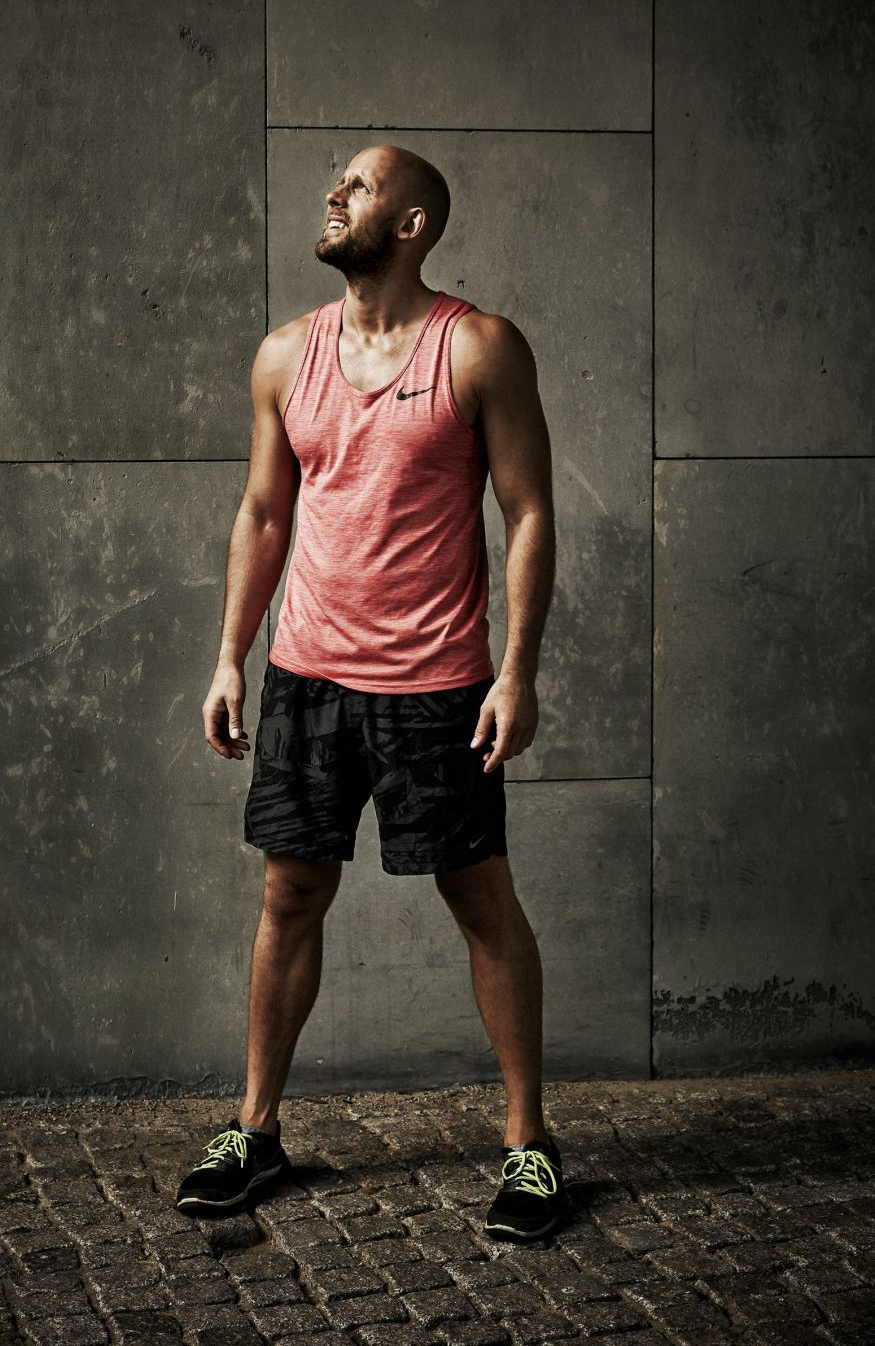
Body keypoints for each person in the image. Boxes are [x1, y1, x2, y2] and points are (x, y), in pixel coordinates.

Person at [175, 145, 563, 1241]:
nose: (334, 191)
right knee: (287, 897)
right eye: (336, 180)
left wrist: (517, 670)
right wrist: (227, 655)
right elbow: (262, 513)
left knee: (479, 903)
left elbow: (527, 510)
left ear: (410, 224)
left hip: (436, 685)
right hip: (304, 676)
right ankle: (255, 1128)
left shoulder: (476, 348)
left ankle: (527, 1147)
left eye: (359, 183)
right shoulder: (283, 355)